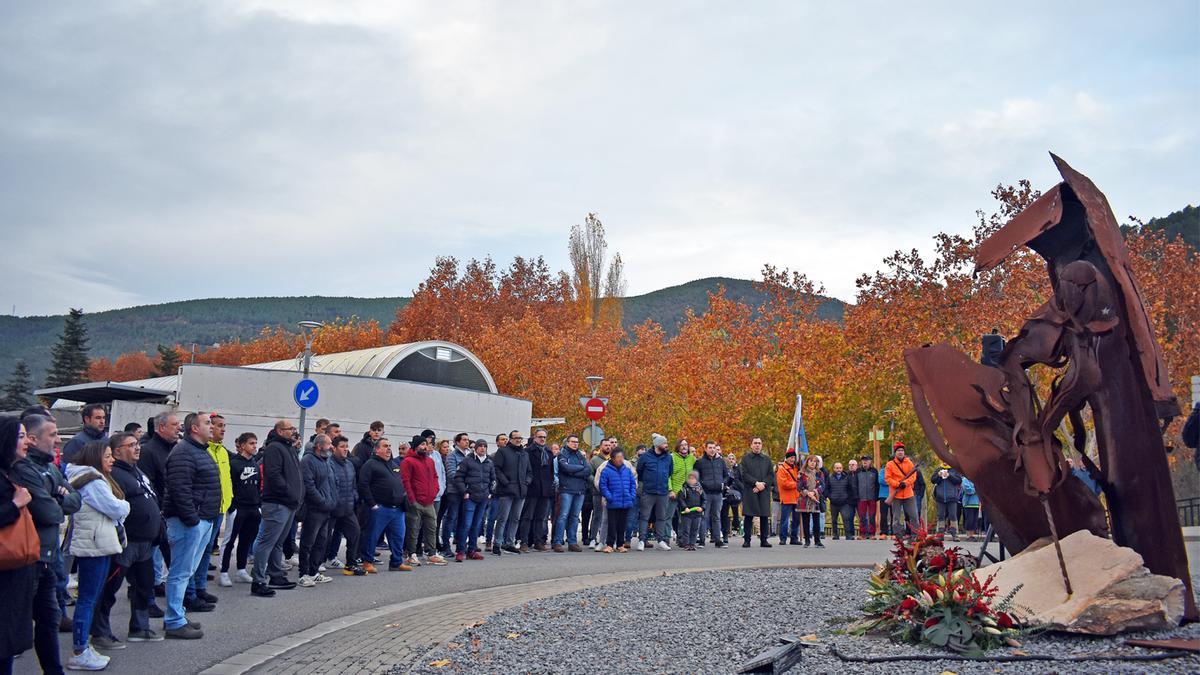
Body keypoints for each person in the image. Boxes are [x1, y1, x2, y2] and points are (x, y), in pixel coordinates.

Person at [14, 414, 81, 674]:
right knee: (17, 625)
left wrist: (57, 497)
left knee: (49, 619)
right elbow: (48, 513)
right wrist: (57, 499)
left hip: (48, 559)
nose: (58, 441)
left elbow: (75, 499)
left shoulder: (51, 468)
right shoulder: (24, 469)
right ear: (33, 439)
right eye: (52, 435)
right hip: (29, 556)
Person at [64, 441, 130, 668]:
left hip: (96, 543)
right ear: (95, 457)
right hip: (93, 545)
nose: (112, 460)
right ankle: (79, 650)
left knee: (90, 598)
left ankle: (83, 645)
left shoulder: (90, 477)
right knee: (87, 599)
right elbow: (115, 508)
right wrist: (125, 505)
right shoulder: (92, 480)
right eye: (108, 456)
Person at [94, 432, 162, 647]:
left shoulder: (137, 471)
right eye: (131, 445)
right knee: (110, 588)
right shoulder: (114, 474)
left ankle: (140, 627)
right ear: (117, 451)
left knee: (144, 586)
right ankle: (100, 631)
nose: (137, 448)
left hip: (146, 542)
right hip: (126, 542)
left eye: (137, 444)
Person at [161, 412, 220, 639]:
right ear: (194, 428)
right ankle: (174, 620)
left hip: (202, 519)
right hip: (189, 522)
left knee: (187, 572)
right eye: (207, 423)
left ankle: (179, 615)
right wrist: (193, 520)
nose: (212, 427)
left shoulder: (200, 451)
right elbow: (180, 489)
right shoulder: (184, 452)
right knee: (180, 572)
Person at [0, 416, 37, 675]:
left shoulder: (11, 472)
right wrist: (16, 504)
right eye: (20, 436)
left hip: (15, 567)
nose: (27, 442)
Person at [251, 421, 304, 598]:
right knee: (267, 542)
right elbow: (273, 475)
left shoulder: (289, 447)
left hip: (289, 503)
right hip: (277, 503)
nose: (293, 431)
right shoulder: (274, 448)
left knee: (278, 542)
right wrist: (289, 492)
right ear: (280, 431)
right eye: (290, 429)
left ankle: (276, 575)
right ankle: (258, 580)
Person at [187, 413, 232, 610]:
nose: (222, 429)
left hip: (219, 508)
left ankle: (200, 586)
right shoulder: (202, 451)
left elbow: (226, 479)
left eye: (224, 426)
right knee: (194, 552)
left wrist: (229, 500)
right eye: (218, 425)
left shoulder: (223, 452)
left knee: (206, 551)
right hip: (203, 509)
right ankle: (189, 592)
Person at [357, 438, 411, 572]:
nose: (389, 449)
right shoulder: (370, 464)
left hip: (397, 509)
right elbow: (363, 485)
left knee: (398, 537)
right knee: (371, 536)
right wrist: (372, 504)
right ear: (377, 450)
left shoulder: (394, 464)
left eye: (390, 446)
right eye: (385, 446)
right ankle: (367, 562)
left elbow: (400, 482)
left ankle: (397, 562)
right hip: (380, 508)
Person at [220, 432, 260, 586]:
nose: (254, 446)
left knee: (246, 540)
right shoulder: (234, 464)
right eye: (251, 443)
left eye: (255, 443)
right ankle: (223, 572)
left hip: (253, 508)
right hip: (238, 508)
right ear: (242, 445)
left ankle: (241, 570)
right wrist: (232, 507)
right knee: (229, 541)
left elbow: (258, 486)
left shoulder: (255, 464)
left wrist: (258, 506)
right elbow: (228, 485)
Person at [298, 434, 337, 587]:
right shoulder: (308, 460)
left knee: (321, 542)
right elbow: (308, 485)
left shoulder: (326, 461)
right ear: (319, 446)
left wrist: (332, 501)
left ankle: (313, 572)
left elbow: (332, 484)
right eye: (329, 444)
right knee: (308, 542)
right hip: (314, 509)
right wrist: (323, 501)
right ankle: (303, 574)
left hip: (326, 509)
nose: (331, 447)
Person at [401, 435, 446, 566]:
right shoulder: (408, 461)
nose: (425, 447)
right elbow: (405, 481)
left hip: (429, 500)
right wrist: (412, 499)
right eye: (422, 444)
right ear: (416, 446)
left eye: (426, 444)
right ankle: (411, 554)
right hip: (415, 501)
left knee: (432, 527)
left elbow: (435, 477)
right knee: (413, 529)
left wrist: (435, 491)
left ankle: (431, 553)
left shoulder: (429, 461)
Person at [326, 435, 364, 575]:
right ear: (334, 448)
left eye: (347, 446)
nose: (346, 449)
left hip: (347, 507)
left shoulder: (349, 464)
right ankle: (317, 564)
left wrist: (354, 497)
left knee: (355, 532)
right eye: (342, 447)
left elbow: (353, 484)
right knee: (324, 537)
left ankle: (351, 564)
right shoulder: (328, 463)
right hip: (332, 508)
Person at [453, 439, 495, 561]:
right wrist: (464, 492)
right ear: (475, 448)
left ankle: (472, 550)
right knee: (466, 524)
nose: (482, 448)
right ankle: (460, 551)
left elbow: (493, 479)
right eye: (480, 446)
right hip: (470, 497)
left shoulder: (489, 462)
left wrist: (490, 492)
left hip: (483, 498)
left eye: (485, 446)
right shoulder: (467, 460)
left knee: (476, 525)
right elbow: (458, 478)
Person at [491, 431, 531, 555]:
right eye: (516, 438)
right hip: (506, 490)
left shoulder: (524, 454)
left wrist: (526, 482)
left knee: (515, 518)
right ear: (510, 439)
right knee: (503, 518)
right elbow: (497, 469)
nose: (518, 440)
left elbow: (529, 471)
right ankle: (497, 543)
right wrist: (506, 482)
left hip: (521, 490)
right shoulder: (503, 451)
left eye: (520, 438)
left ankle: (510, 543)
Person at [635, 433, 673, 551]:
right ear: (657, 444)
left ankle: (660, 540)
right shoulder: (645, 457)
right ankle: (642, 540)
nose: (666, 445)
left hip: (663, 492)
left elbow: (670, 472)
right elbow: (639, 472)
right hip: (648, 491)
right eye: (664, 443)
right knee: (644, 517)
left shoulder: (668, 457)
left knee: (661, 517)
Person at [518, 429, 554, 552]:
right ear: (534, 438)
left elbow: (551, 471)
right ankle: (524, 541)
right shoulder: (528, 452)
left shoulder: (548, 452)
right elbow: (524, 470)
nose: (542, 439)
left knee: (540, 517)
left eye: (544, 437)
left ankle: (538, 541)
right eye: (540, 437)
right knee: (527, 517)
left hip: (545, 490)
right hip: (532, 488)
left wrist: (549, 486)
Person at [552, 434, 589, 552]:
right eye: (573, 442)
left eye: (577, 442)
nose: (575, 444)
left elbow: (587, 470)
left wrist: (573, 471)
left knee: (575, 517)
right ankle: (557, 542)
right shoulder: (562, 454)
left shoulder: (580, 455)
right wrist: (580, 468)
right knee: (563, 516)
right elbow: (565, 468)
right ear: (567, 443)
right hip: (566, 489)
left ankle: (572, 542)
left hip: (580, 490)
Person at [598, 448, 637, 553]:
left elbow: (633, 484)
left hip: (626, 501)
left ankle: (620, 545)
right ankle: (609, 545)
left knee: (622, 525)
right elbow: (603, 486)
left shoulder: (627, 470)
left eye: (622, 457)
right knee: (612, 524)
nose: (621, 459)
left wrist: (631, 496)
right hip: (613, 502)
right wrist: (609, 497)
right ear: (613, 458)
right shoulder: (606, 470)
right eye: (618, 457)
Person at [438, 433, 470, 558]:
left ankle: (461, 547)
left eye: (467, 440)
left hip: (467, 492)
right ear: (457, 442)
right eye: (464, 440)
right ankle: (446, 547)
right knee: (451, 518)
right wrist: (466, 480)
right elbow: (452, 474)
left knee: (463, 520)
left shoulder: (470, 455)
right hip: (454, 492)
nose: (467, 442)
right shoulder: (452, 456)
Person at [739, 437, 774, 548]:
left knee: (764, 516)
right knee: (749, 516)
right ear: (751, 445)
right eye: (755, 443)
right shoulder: (745, 459)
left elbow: (771, 475)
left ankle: (764, 540)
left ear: (761, 445)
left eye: (759, 443)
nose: (757, 445)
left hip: (763, 490)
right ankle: (747, 540)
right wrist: (755, 483)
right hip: (750, 490)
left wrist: (763, 484)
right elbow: (744, 474)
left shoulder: (767, 460)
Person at [694, 441, 728, 548]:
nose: (712, 450)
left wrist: (723, 484)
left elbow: (726, 475)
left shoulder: (721, 462)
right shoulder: (700, 462)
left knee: (716, 517)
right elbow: (695, 477)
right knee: (704, 517)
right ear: (705, 449)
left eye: (714, 447)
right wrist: (701, 488)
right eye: (710, 447)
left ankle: (718, 541)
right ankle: (702, 540)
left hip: (718, 493)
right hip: (705, 494)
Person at [884, 442, 919, 538]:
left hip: (908, 494)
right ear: (895, 452)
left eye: (902, 450)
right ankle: (898, 536)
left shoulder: (909, 463)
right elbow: (887, 478)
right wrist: (898, 484)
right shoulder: (890, 464)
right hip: (896, 494)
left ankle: (915, 535)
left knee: (914, 515)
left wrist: (905, 483)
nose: (900, 452)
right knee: (896, 517)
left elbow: (913, 476)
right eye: (898, 450)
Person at [483, 432, 508, 550]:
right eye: (502, 439)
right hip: (496, 492)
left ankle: (501, 540)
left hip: (507, 491)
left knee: (505, 518)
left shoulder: (510, 456)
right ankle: (489, 541)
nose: (505, 441)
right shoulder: (492, 457)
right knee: (492, 517)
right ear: (497, 442)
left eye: (506, 439)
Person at [667, 439, 695, 544]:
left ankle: (682, 539)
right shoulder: (671, 458)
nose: (684, 447)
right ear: (677, 447)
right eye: (682, 445)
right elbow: (668, 475)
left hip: (687, 493)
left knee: (685, 517)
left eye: (686, 445)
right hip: (674, 492)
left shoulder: (692, 458)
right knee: (668, 516)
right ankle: (665, 539)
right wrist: (670, 490)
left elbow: (695, 474)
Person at [586, 438, 612, 550]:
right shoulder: (595, 460)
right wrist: (598, 482)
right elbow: (589, 474)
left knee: (609, 517)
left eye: (609, 445)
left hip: (611, 492)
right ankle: (592, 538)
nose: (608, 447)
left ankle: (607, 539)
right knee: (597, 515)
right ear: (601, 447)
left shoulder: (613, 459)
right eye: (605, 445)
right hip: (598, 492)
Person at [798, 454, 825, 547]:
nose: (813, 463)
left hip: (815, 499)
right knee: (805, 521)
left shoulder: (819, 473)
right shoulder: (801, 473)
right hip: (805, 499)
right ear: (807, 462)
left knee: (816, 521)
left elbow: (822, 485)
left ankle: (817, 541)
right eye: (811, 461)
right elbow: (799, 486)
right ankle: (807, 541)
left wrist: (814, 492)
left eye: (815, 461)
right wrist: (807, 492)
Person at [774, 449, 800, 545]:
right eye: (791, 457)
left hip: (796, 497)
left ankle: (794, 538)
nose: (792, 459)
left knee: (796, 519)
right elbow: (784, 484)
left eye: (794, 457)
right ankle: (783, 538)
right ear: (787, 458)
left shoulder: (796, 468)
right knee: (785, 520)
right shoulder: (782, 469)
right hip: (787, 498)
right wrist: (797, 484)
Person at [931, 465, 963, 540]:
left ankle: (955, 534)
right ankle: (940, 534)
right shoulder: (938, 469)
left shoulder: (954, 470)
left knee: (953, 515)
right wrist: (939, 476)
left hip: (952, 497)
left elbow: (959, 481)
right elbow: (933, 480)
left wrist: (949, 476)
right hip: (940, 497)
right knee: (941, 516)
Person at [676, 471, 705, 550]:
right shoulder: (684, 489)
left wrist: (702, 508)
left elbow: (704, 499)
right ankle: (686, 544)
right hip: (687, 513)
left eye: (693, 478)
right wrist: (685, 507)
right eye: (690, 478)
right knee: (686, 530)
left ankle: (692, 544)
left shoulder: (700, 489)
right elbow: (681, 499)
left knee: (694, 530)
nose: (691, 480)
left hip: (697, 513)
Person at [827, 461, 855, 540]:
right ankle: (835, 535)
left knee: (846, 518)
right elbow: (827, 489)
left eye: (840, 468)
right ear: (834, 469)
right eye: (837, 468)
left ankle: (848, 535)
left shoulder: (846, 477)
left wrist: (847, 498)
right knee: (834, 520)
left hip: (844, 503)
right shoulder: (830, 477)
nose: (838, 469)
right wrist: (830, 497)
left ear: (842, 468)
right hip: (833, 502)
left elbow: (850, 489)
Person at [853, 456, 879, 539]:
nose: (865, 461)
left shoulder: (874, 471)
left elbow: (877, 484)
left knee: (872, 516)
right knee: (862, 516)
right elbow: (855, 484)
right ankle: (862, 534)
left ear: (870, 461)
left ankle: (872, 534)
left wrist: (876, 496)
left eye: (867, 460)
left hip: (872, 497)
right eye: (863, 460)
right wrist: (856, 495)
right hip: (861, 497)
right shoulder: (858, 471)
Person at [722, 451, 742, 543]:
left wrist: (733, 487)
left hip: (735, 493)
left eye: (732, 459)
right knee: (725, 512)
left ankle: (735, 528)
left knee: (735, 512)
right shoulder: (725, 469)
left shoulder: (738, 469)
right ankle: (725, 531)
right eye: (729, 459)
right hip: (726, 493)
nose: (731, 460)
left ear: (735, 460)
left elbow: (739, 481)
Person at [960, 475, 980, 540]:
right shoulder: (965, 479)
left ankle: (972, 535)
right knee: (969, 520)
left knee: (974, 520)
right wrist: (976, 490)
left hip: (976, 503)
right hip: (968, 503)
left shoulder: (976, 479)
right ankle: (968, 535)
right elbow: (968, 490)